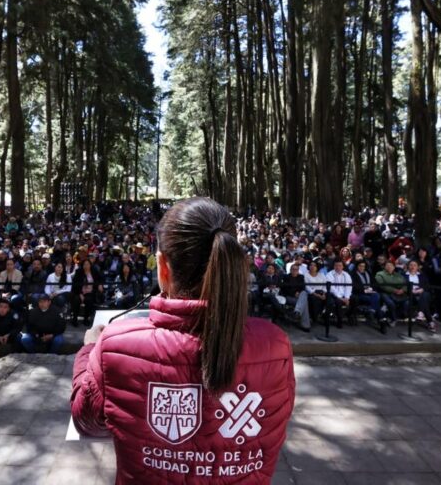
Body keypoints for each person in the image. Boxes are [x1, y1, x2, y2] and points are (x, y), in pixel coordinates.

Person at [70, 197, 295, 483]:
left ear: (163, 267)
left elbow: (87, 422)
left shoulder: (115, 347)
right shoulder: (275, 346)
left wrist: (89, 351)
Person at [375, 259, 408, 327]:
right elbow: (382, 285)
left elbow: (405, 284)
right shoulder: (379, 274)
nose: (389, 267)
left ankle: (393, 316)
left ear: (394, 267)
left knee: (407, 303)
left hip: (399, 293)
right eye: (387, 265)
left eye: (391, 265)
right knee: (391, 303)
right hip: (385, 293)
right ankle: (393, 319)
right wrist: (394, 290)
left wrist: (402, 290)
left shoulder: (398, 275)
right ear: (384, 267)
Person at [71, 259, 103, 327]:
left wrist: (100, 285)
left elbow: (100, 279)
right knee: (76, 300)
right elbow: (75, 284)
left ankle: (86, 319)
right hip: (79, 292)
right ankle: (74, 318)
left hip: (90, 292)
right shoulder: (78, 272)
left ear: (90, 265)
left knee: (89, 300)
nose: (86, 266)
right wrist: (80, 294)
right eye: (84, 264)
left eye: (87, 264)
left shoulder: (94, 271)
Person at [406, 260, 435, 332]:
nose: (413, 267)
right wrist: (411, 291)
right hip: (410, 294)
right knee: (425, 302)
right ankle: (430, 321)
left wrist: (422, 289)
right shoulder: (404, 275)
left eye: (414, 265)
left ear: (418, 267)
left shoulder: (422, 275)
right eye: (411, 265)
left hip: (421, 293)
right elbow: (402, 285)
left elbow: (427, 286)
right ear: (408, 266)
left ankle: (421, 313)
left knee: (425, 295)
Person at [280, 262, 310, 331]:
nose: (294, 271)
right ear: (290, 270)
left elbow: (303, 288)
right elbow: (284, 289)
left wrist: (298, 293)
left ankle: (297, 312)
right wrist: (294, 294)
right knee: (304, 302)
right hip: (289, 297)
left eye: (296, 269)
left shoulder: (301, 277)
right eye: (293, 269)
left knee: (304, 293)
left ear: (298, 271)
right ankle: (305, 325)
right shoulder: (286, 277)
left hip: (299, 297)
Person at [325, 261, 353, 328]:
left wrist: (347, 298)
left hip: (345, 295)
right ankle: (339, 320)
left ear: (343, 266)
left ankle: (348, 315)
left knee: (356, 299)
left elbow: (349, 287)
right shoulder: (329, 274)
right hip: (334, 295)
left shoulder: (346, 274)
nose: (338, 267)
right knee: (338, 302)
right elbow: (332, 288)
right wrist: (340, 298)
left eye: (340, 265)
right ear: (334, 266)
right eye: (336, 265)